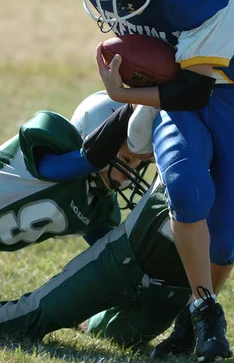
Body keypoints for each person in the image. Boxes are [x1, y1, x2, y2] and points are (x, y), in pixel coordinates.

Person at [0, 57, 234, 363]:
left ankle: (92, 320)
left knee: (120, 337)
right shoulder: (216, 114)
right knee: (32, 318)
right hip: (123, 254)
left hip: (177, 283)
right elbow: (138, 140)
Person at [70, 0, 234, 363]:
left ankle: (189, 319)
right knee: (185, 188)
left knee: (225, 235)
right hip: (176, 104)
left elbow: (196, 90)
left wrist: (123, 96)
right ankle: (206, 309)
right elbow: (175, 91)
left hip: (229, 97)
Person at [0, 91, 144, 250]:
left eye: (136, 167)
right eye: (126, 160)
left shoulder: (99, 206)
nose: (129, 174)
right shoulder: (52, 150)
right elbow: (67, 167)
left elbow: (111, 252)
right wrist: (129, 112)